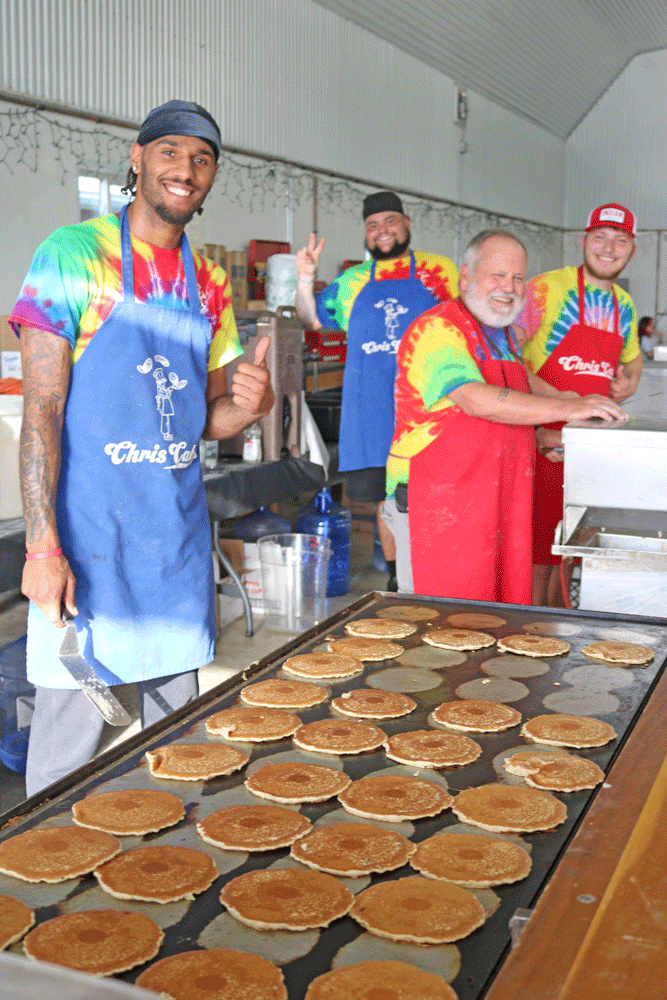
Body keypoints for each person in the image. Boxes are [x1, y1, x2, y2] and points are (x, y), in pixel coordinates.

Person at [10, 100, 274, 795]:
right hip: (86, 543)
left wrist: (251, 407)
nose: (185, 169)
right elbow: (42, 410)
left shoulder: (208, 281)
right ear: (138, 158)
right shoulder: (72, 254)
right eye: (170, 152)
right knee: (68, 748)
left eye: (202, 158)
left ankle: (168, 855)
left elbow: (204, 420)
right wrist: (41, 549)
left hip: (172, 545)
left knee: (178, 750)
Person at [385, 229, 626, 602]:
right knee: (442, 621)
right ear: (466, 277)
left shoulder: (504, 336)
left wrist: (549, 431)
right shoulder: (438, 329)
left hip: (492, 501)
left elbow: (519, 385)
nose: (509, 288)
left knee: (493, 618)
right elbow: (476, 400)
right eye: (497, 275)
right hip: (436, 503)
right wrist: (570, 407)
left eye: (517, 278)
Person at [295, 191, 458, 590]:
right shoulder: (353, 281)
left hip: (430, 411)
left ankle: (437, 578)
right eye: (373, 225)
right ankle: (398, 581)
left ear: (406, 224)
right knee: (387, 501)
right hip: (371, 414)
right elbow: (311, 318)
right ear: (365, 234)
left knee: (435, 496)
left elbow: (467, 324)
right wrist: (305, 279)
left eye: (390, 222)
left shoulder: (439, 272)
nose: (382, 231)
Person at [520, 203, 642, 606]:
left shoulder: (624, 305)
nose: (608, 248)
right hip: (542, 443)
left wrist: (629, 381)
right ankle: (532, 629)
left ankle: (558, 625)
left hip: (589, 451)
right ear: (583, 241)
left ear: (632, 249)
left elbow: (633, 360)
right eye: (599, 237)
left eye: (619, 240)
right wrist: (559, 404)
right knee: (538, 554)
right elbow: (506, 358)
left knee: (571, 551)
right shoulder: (543, 289)